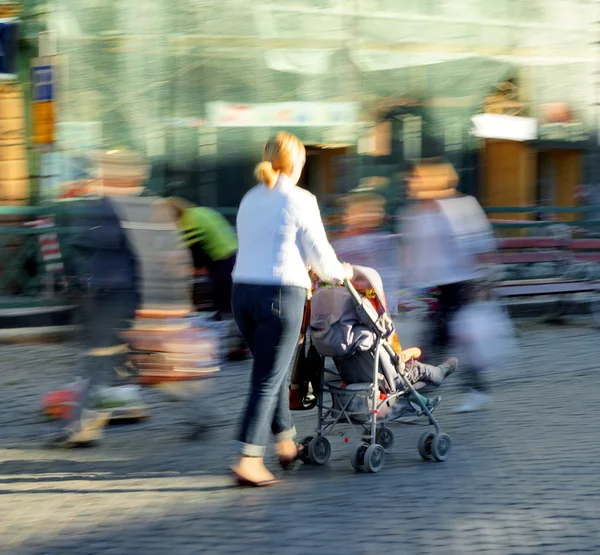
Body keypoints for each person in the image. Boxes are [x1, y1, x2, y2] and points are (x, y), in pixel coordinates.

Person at [231, 131, 353, 487]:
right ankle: (249, 458)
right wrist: (338, 273)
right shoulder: (300, 198)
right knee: (268, 379)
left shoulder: (250, 197)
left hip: (242, 293)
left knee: (276, 373)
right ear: (297, 164)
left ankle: (286, 444)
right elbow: (319, 251)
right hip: (280, 295)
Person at [47, 151, 146, 447]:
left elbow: (89, 245)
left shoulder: (111, 206)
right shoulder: (129, 205)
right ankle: (88, 424)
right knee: (112, 363)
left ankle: (84, 426)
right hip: (115, 295)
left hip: (111, 296)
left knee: (102, 362)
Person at [401, 158, 496, 413]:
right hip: (432, 286)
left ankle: (419, 396)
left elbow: (481, 244)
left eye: (416, 178)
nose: (410, 183)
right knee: (451, 339)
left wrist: (484, 282)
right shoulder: (416, 212)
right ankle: (474, 387)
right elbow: (413, 252)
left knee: (436, 339)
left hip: (459, 283)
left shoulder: (461, 206)